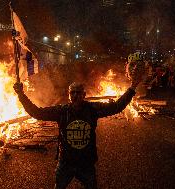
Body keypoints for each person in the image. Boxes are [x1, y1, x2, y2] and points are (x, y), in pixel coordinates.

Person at [13, 66, 143, 189]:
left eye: (78, 93)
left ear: (84, 95)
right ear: (69, 95)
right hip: (66, 162)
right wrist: (21, 95)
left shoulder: (92, 109)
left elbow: (116, 107)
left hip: (85, 163)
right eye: (72, 93)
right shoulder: (62, 111)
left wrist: (133, 87)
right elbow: (37, 113)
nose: (75, 95)